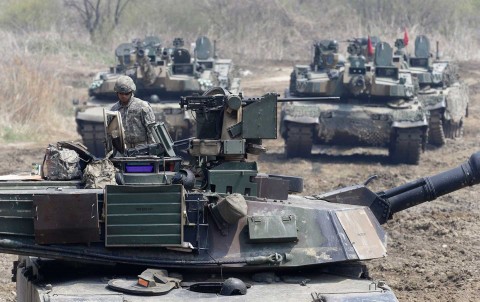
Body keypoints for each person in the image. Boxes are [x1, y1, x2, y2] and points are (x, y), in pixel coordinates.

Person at [110, 75, 156, 148]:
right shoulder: (114, 109)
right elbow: (111, 133)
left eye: (126, 93)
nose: (123, 96)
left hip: (142, 148)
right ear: (117, 93)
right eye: (121, 93)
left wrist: (153, 149)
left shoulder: (143, 106)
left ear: (131, 92)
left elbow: (151, 130)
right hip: (122, 150)